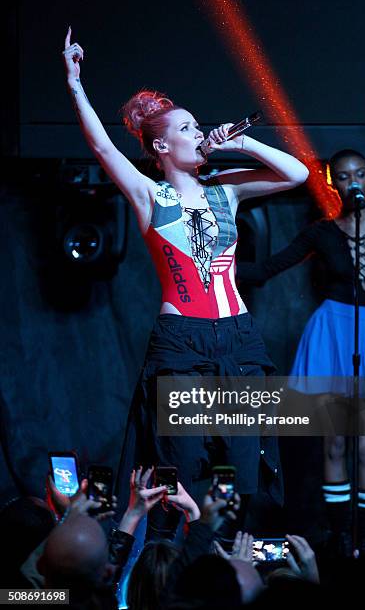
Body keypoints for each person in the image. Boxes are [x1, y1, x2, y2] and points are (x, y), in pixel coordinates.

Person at [62, 28, 309, 539]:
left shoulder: (227, 190)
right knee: (185, 465)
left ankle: (228, 567)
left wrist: (240, 140)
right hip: (181, 345)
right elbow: (104, 149)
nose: (201, 134)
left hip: (238, 339)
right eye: (189, 128)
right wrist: (74, 83)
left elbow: (298, 174)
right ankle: (178, 564)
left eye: (201, 127)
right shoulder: (150, 195)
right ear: (161, 145)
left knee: (241, 466)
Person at [238, 149, 365, 553]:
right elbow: (265, 270)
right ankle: (337, 538)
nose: (354, 183)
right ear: (334, 182)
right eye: (345, 177)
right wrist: (212, 262)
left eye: (361, 174)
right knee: (333, 443)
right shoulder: (322, 232)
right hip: (330, 332)